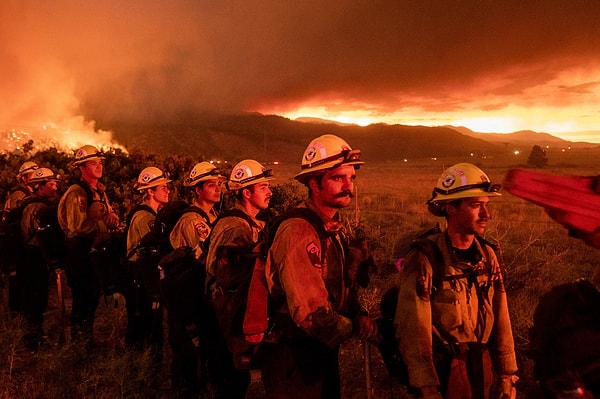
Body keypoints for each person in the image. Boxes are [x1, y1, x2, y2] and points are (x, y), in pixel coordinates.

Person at [259, 134, 379, 399]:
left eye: (351, 178)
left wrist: (356, 311)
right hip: (294, 355)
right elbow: (311, 314)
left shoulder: (331, 228)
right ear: (313, 182)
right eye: (338, 178)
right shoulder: (299, 231)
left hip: (316, 350)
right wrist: (356, 327)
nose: (349, 186)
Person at [395, 163, 518, 399]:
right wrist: (427, 387)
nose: (486, 214)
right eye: (476, 206)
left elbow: (501, 317)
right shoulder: (425, 258)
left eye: (486, 205)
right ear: (450, 208)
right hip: (446, 372)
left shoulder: (487, 256)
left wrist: (506, 374)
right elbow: (413, 331)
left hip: (482, 368)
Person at [205, 159, 274, 399]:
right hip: (223, 315)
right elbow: (230, 278)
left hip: (221, 313)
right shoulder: (237, 228)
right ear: (247, 192)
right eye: (263, 187)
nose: (270, 192)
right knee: (231, 384)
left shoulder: (240, 222)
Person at [167, 161, 225, 397]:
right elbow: (202, 259)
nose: (217, 189)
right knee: (189, 350)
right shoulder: (193, 221)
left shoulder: (211, 215)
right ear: (198, 190)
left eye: (219, 184)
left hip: (198, 291)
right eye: (211, 185)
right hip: (189, 292)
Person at [58, 145, 119, 346]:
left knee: (92, 298)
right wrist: (103, 224)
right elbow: (78, 226)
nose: (99, 166)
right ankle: (79, 345)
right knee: (82, 300)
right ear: (82, 168)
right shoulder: (78, 193)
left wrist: (111, 218)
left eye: (100, 162)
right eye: (93, 163)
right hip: (80, 255)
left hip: (94, 255)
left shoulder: (99, 191)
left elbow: (103, 214)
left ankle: (86, 340)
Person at [123, 167, 170, 351]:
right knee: (143, 325)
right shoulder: (145, 218)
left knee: (149, 323)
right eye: (163, 187)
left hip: (140, 277)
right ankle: (141, 368)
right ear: (150, 191)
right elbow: (154, 250)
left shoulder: (150, 215)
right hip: (139, 279)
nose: (168, 190)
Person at [19, 167, 61, 350]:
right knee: (35, 299)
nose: (54, 188)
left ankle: (34, 335)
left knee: (35, 298)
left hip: (32, 256)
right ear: (40, 186)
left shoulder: (32, 203)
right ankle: (33, 339)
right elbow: (35, 235)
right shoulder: (37, 207)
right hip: (33, 257)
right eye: (51, 184)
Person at [2, 161, 39, 315]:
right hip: (18, 243)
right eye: (32, 174)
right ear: (24, 178)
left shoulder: (29, 194)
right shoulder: (20, 194)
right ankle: (17, 312)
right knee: (19, 279)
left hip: (24, 242)